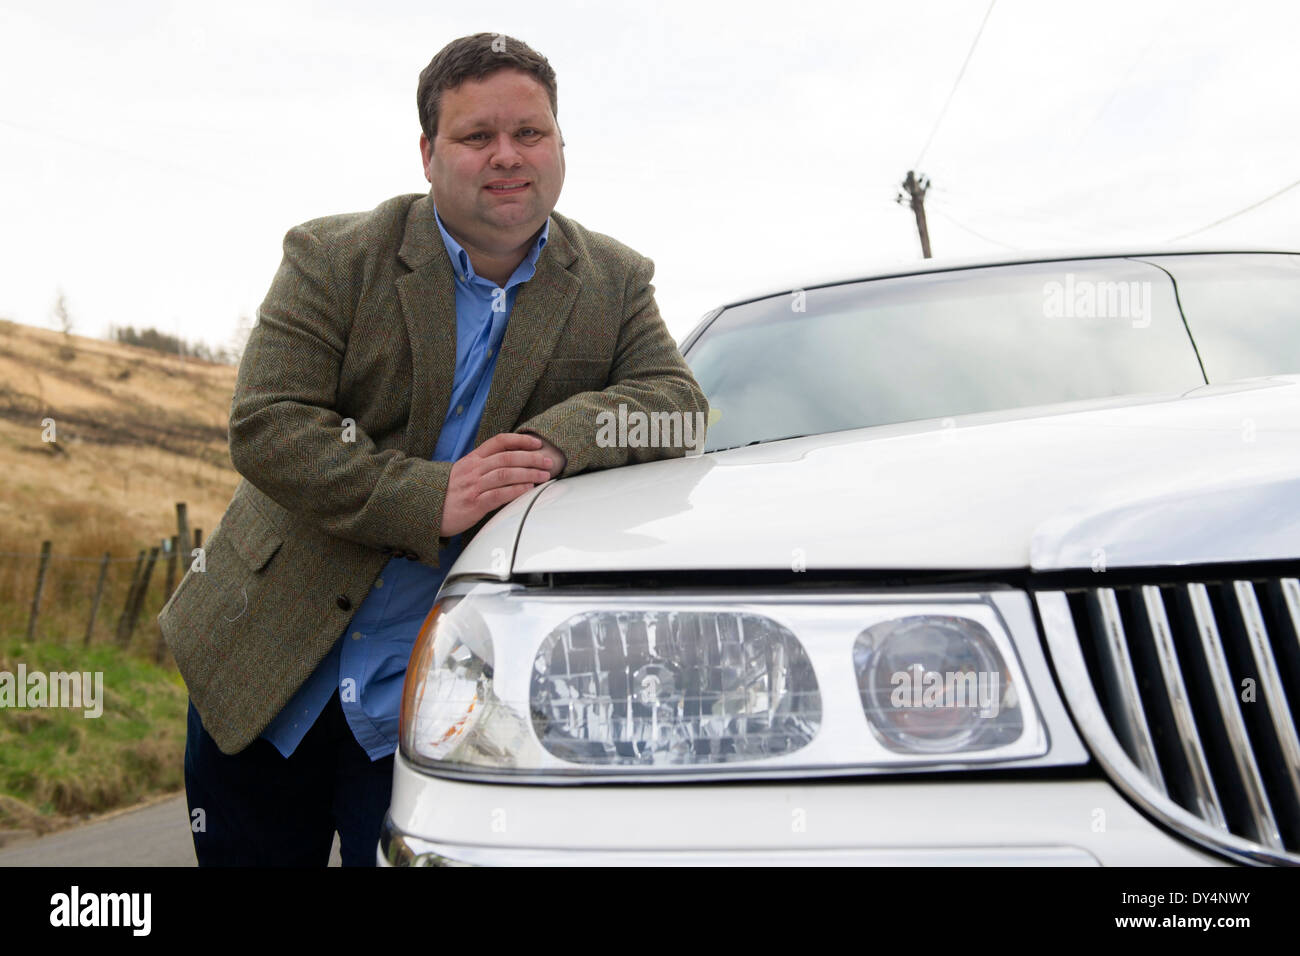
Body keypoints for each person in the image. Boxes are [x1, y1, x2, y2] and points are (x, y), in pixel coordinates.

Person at [159, 31, 708, 867]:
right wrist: (431, 495)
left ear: (560, 143)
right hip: (268, 672)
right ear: (427, 153)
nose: (507, 156)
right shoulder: (332, 256)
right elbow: (267, 422)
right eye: (476, 136)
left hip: (437, 695)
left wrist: (552, 444)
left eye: (530, 133)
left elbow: (675, 406)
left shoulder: (614, 279)